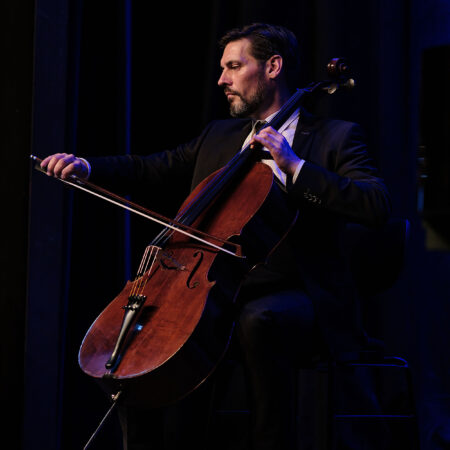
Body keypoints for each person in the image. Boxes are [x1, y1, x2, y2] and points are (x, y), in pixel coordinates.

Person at [41, 23, 391, 450]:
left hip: (299, 290)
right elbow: (152, 167)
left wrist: (295, 166)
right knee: (142, 344)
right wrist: (87, 167)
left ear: (273, 67)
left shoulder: (336, 137)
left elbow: (376, 204)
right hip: (213, 286)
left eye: (233, 66)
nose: (222, 80)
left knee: (257, 321)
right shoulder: (220, 136)